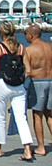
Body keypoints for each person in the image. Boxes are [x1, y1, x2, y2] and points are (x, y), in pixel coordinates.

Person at [0, 21, 33, 161]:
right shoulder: (21, 48)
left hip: (2, 84)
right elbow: (28, 71)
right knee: (21, 118)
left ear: (1, 32)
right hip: (19, 87)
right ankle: (27, 150)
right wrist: (20, 80)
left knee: (0, 117)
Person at [24, 24, 52, 156]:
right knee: (50, 114)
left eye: (26, 34)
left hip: (37, 82)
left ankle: (41, 146)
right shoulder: (49, 47)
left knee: (37, 115)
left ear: (31, 35)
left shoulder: (29, 50)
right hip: (51, 80)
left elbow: (27, 71)